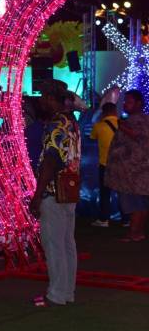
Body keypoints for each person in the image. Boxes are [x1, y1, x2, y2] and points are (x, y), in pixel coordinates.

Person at [28, 80, 79, 307]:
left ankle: (56, 294)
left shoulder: (55, 124)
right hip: (69, 189)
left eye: (42, 96)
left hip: (53, 192)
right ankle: (67, 292)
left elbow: (51, 160)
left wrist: (37, 195)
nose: (40, 101)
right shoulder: (71, 122)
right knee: (67, 244)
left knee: (54, 245)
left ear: (50, 98)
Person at [105, 90, 149, 242]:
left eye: (129, 102)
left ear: (139, 104)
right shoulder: (143, 119)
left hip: (132, 173)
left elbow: (137, 135)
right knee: (141, 204)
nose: (125, 104)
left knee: (135, 204)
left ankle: (133, 233)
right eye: (125, 101)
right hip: (139, 172)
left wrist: (122, 126)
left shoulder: (135, 121)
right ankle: (138, 232)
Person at [89, 102, 118, 227]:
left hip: (105, 163)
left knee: (105, 193)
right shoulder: (123, 124)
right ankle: (126, 219)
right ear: (115, 111)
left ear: (103, 113)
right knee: (124, 192)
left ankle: (104, 219)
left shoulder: (99, 126)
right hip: (121, 164)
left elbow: (92, 138)